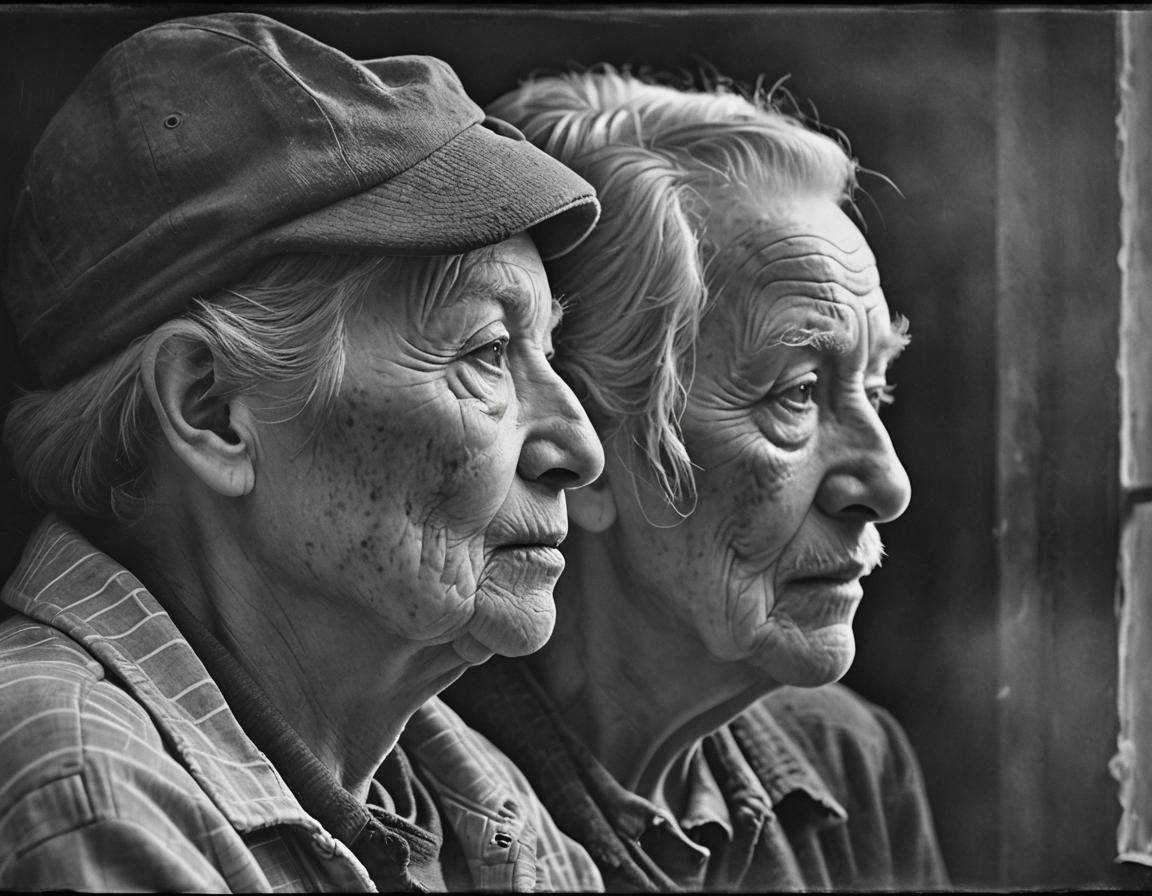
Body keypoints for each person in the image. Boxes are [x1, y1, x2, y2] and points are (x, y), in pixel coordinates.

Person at [0, 13, 608, 891]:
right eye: (484, 353)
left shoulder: (465, 795)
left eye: (547, 350)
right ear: (210, 409)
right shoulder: (80, 796)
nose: (578, 450)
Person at [444, 69, 949, 891]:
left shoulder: (852, 764)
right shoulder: (419, 807)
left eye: (876, 387)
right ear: (580, 447)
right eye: (796, 394)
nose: (886, 484)